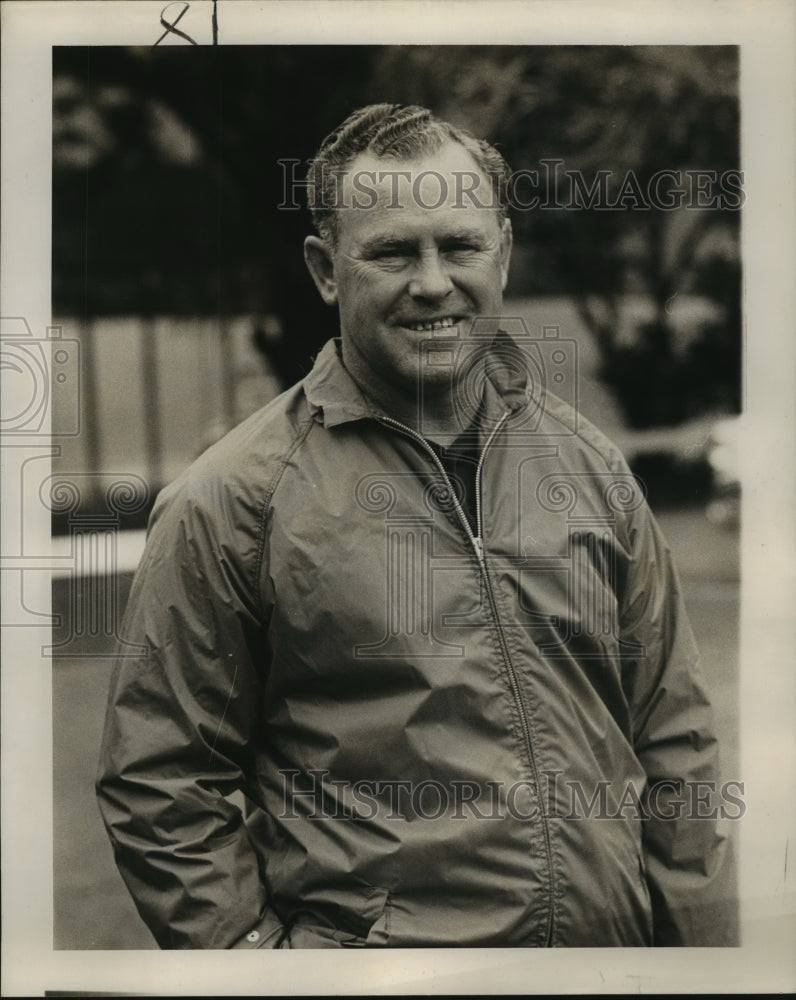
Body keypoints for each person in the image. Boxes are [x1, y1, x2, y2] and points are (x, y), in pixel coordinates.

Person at [96, 103, 738, 949]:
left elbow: (675, 738)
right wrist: (263, 971)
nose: (433, 282)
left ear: (502, 253)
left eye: (460, 246)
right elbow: (158, 779)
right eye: (395, 250)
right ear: (327, 270)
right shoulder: (230, 502)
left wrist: (701, 964)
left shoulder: (592, 469)